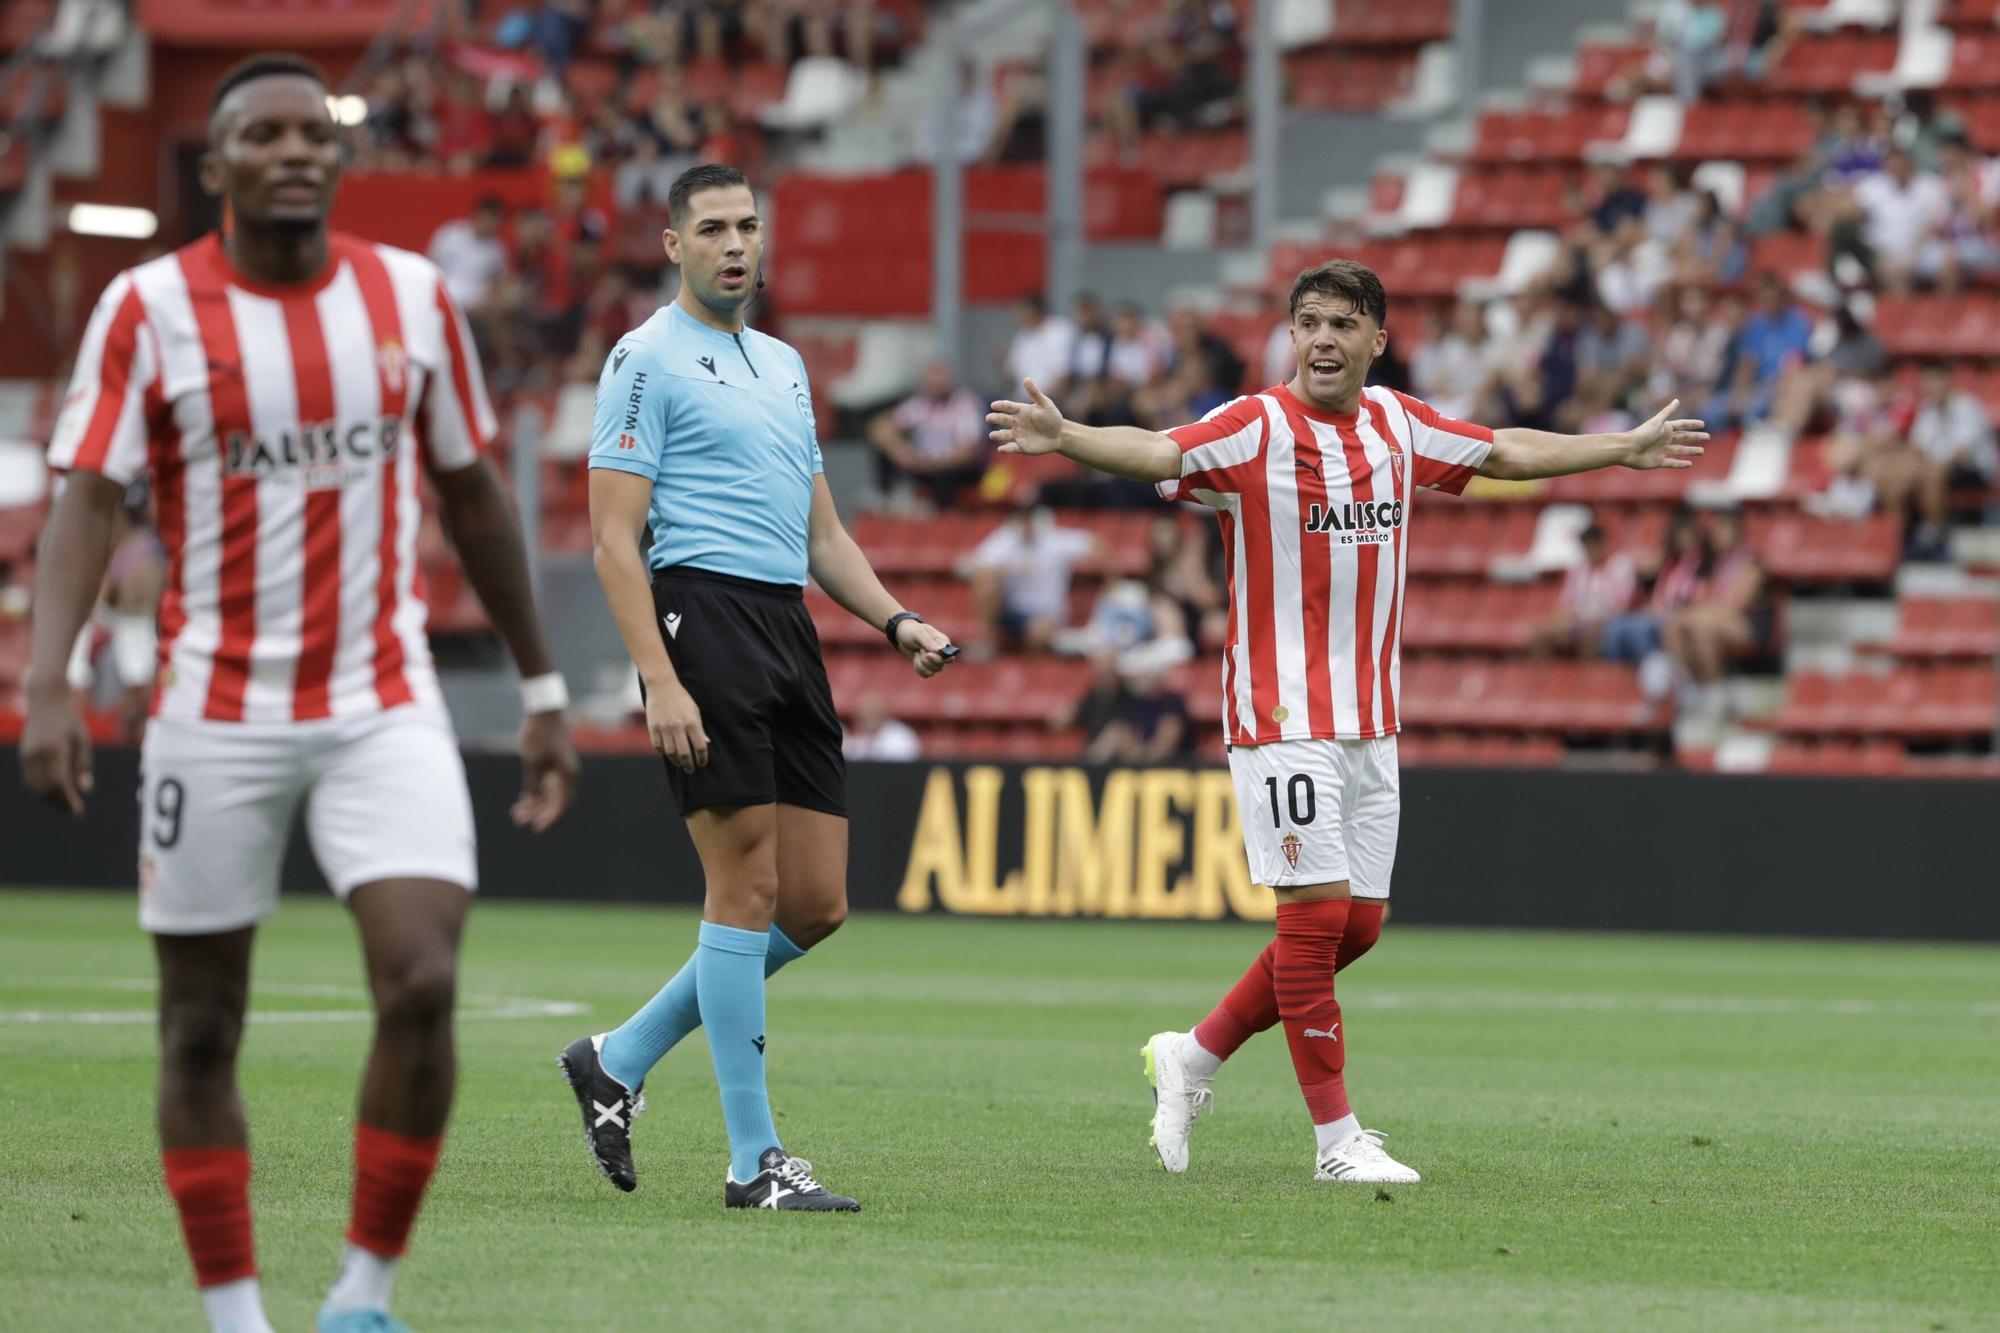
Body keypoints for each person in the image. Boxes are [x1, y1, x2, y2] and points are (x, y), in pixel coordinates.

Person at [18, 55, 579, 1333]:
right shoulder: (146, 309)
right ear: (215, 168)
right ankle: (234, 1316)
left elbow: (474, 496)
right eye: (260, 135)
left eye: (313, 133)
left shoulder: (413, 298)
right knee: (201, 1030)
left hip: (383, 700)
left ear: (337, 160)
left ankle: (362, 1297)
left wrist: (543, 682)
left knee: (423, 980)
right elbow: (90, 498)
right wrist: (47, 681)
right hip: (211, 711)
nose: (293, 152)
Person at [988, 258, 1704, 1185]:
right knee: (1316, 913)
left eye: (1342, 323)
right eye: (1309, 321)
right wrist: (1066, 436)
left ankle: (1191, 1057)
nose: (1323, 338)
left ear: (1378, 339)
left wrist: (1620, 449)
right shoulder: (1254, 426)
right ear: (1291, 335)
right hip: (1281, 714)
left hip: (1371, 720)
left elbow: (1505, 452)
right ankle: (1337, 1141)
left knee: (1355, 928)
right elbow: (1161, 450)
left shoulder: (1399, 424)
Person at [560, 163, 956, 1212]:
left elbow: (823, 533)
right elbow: (610, 538)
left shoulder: (781, 364)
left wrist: (894, 617)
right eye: (712, 228)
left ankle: (621, 1054)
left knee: (817, 902)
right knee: (742, 889)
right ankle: (753, 1162)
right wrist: (659, 677)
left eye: (747, 226)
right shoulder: (643, 358)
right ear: (673, 244)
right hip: (701, 616)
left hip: (784, 623)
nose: (735, 243)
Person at [962, 506, 1096, 652]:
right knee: (987, 587)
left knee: (1039, 631)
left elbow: (1095, 544)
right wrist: (1008, 571)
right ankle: (987, 644)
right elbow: (971, 566)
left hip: (1046, 613)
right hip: (1011, 609)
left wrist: (1110, 582)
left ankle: (1029, 667)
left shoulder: (1055, 540)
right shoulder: (1005, 539)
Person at [865, 361, 989, 510]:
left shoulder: (966, 403)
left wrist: (934, 464)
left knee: (944, 475)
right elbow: (879, 428)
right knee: (883, 453)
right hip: (924, 463)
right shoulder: (919, 404)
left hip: (956, 467)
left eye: (941, 378)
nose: (937, 384)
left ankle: (944, 517)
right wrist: (901, 452)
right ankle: (884, 500)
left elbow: (970, 450)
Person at [1528, 522, 1636, 658]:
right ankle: (1543, 678)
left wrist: (1595, 619)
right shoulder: (1579, 570)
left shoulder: (1620, 565)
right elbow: (1565, 603)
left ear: (1602, 544)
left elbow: (1623, 604)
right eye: (1586, 545)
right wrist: (1561, 621)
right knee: (1542, 634)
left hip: (1608, 620)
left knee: (1591, 634)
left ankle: (1588, 677)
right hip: (1580, 620)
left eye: (1592, 544)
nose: (1589, 550)